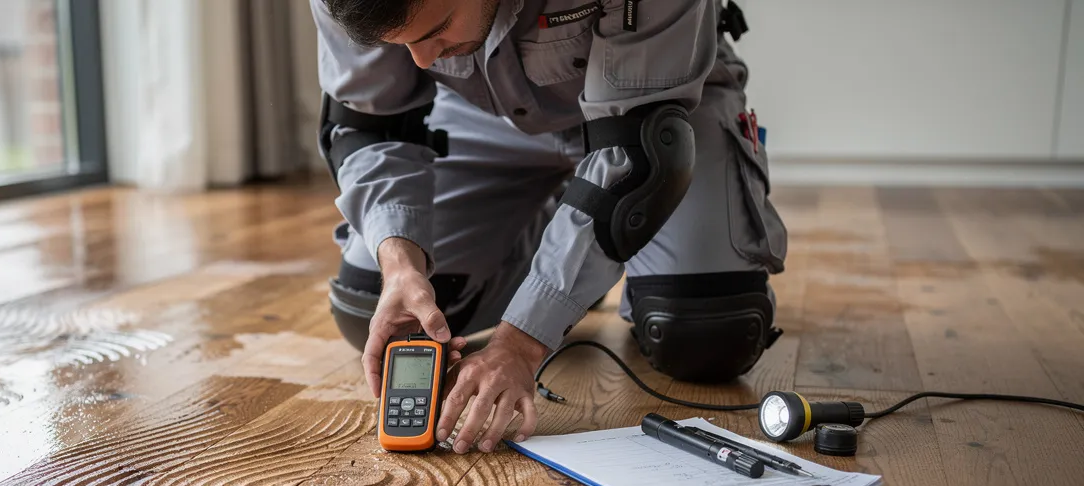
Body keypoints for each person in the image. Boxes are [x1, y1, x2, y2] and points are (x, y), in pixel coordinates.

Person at [313, 0, 787, 454]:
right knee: (373, 311)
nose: (418, 60)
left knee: (706, 339)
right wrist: (399, 264)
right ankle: (572, 249)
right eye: (399, 45)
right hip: (487, 117)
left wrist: (520, 344)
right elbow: (370, 124)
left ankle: (585, 259)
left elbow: (639, 156)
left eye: (436, 31)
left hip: (653, 107)